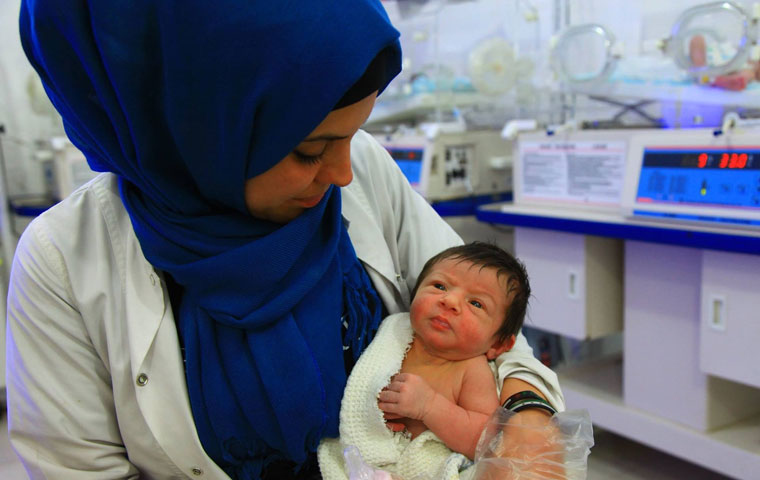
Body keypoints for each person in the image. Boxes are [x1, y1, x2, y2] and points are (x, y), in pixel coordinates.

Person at [7, 1, 563, 479]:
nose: (343, 173)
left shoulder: (363, 171)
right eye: (309, 150)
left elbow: (489, 320)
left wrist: (526, 413)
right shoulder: (64, 260)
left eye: (352, 136)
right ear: (198, 126)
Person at [318, 242, 553, 480]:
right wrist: (374, 407)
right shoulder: (394, 334)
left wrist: (429, 406)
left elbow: (484, 441)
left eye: (476, 303)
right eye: (439, 286)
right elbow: (361, 386)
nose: (450, 300)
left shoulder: (472, 370)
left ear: (498, 345)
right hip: (369, 460)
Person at [689, 34, 760, 91]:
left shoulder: (756, 69)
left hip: (736, 69)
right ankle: (702, 73)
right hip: (718, 55)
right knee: (697, 39)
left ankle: (722, 81)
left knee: (748, 75)